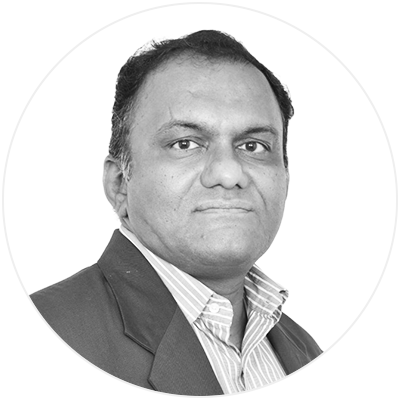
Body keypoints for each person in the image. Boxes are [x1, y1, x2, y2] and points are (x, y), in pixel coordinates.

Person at [0, 30, 344, 400]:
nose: (228, 173)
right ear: (119, 183)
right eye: (185, 143)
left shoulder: (310, 361)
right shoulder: (32, 345)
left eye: (253, 146)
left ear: (286, 179)